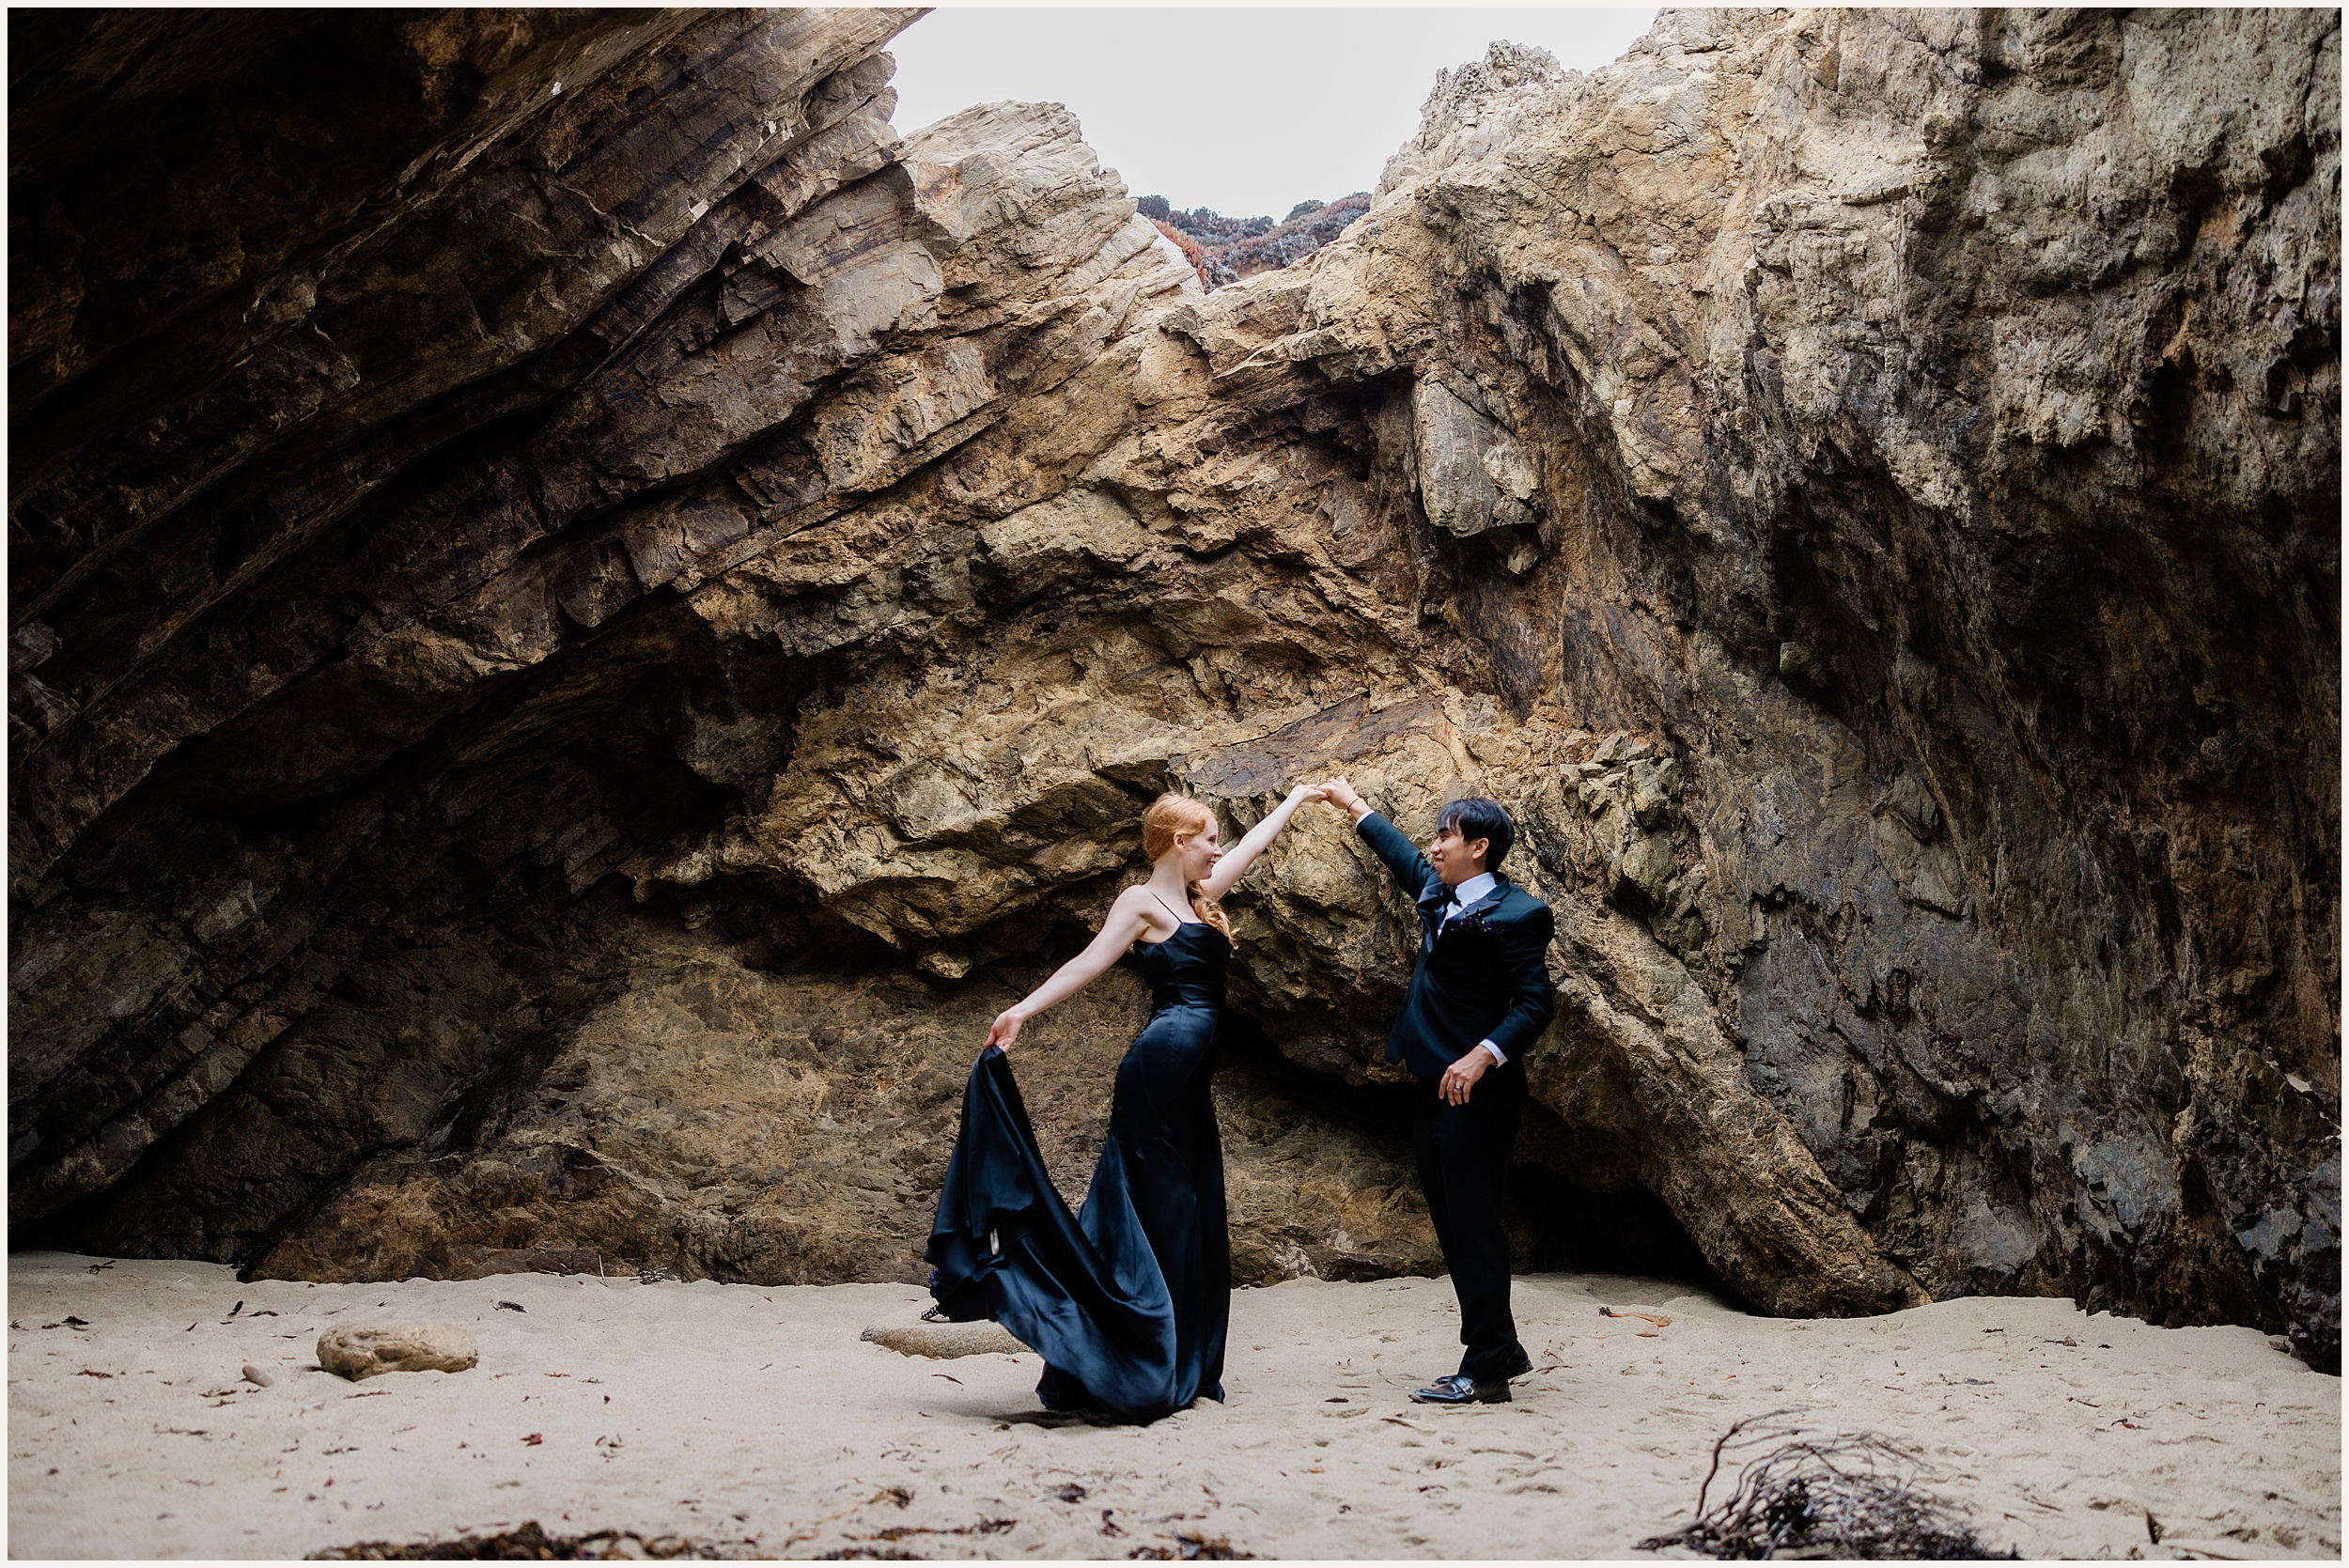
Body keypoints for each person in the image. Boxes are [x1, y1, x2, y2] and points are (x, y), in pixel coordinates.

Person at [925, 783, 1326, 1422]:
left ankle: (1175, 1356)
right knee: (1158, 1205)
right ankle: (1134, 1355)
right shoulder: (1141, 903)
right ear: (1179, 840)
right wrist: (1021, 1011)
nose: (1218, 851)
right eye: (1209, 839)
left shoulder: (1201, 899)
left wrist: (1300, 797)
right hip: (1158, 1071)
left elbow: (1252, 846)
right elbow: (1089, 962)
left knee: (1189, 1206)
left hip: (1189, 1080)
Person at [1315, 777, 1555, 1405]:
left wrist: (1484, 1054)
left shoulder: (1521, 913)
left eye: (1445, 835)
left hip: (1481, 1091)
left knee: (1475, 1224)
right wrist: (1354, 806)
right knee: (1452, 1224)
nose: (1435, 845)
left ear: (1478, 846)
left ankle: (1487, 1368)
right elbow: (1404, 857)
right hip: (1429, 1081)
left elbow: (1536, 1005)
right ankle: (1497, 1342)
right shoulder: (1438, 890)